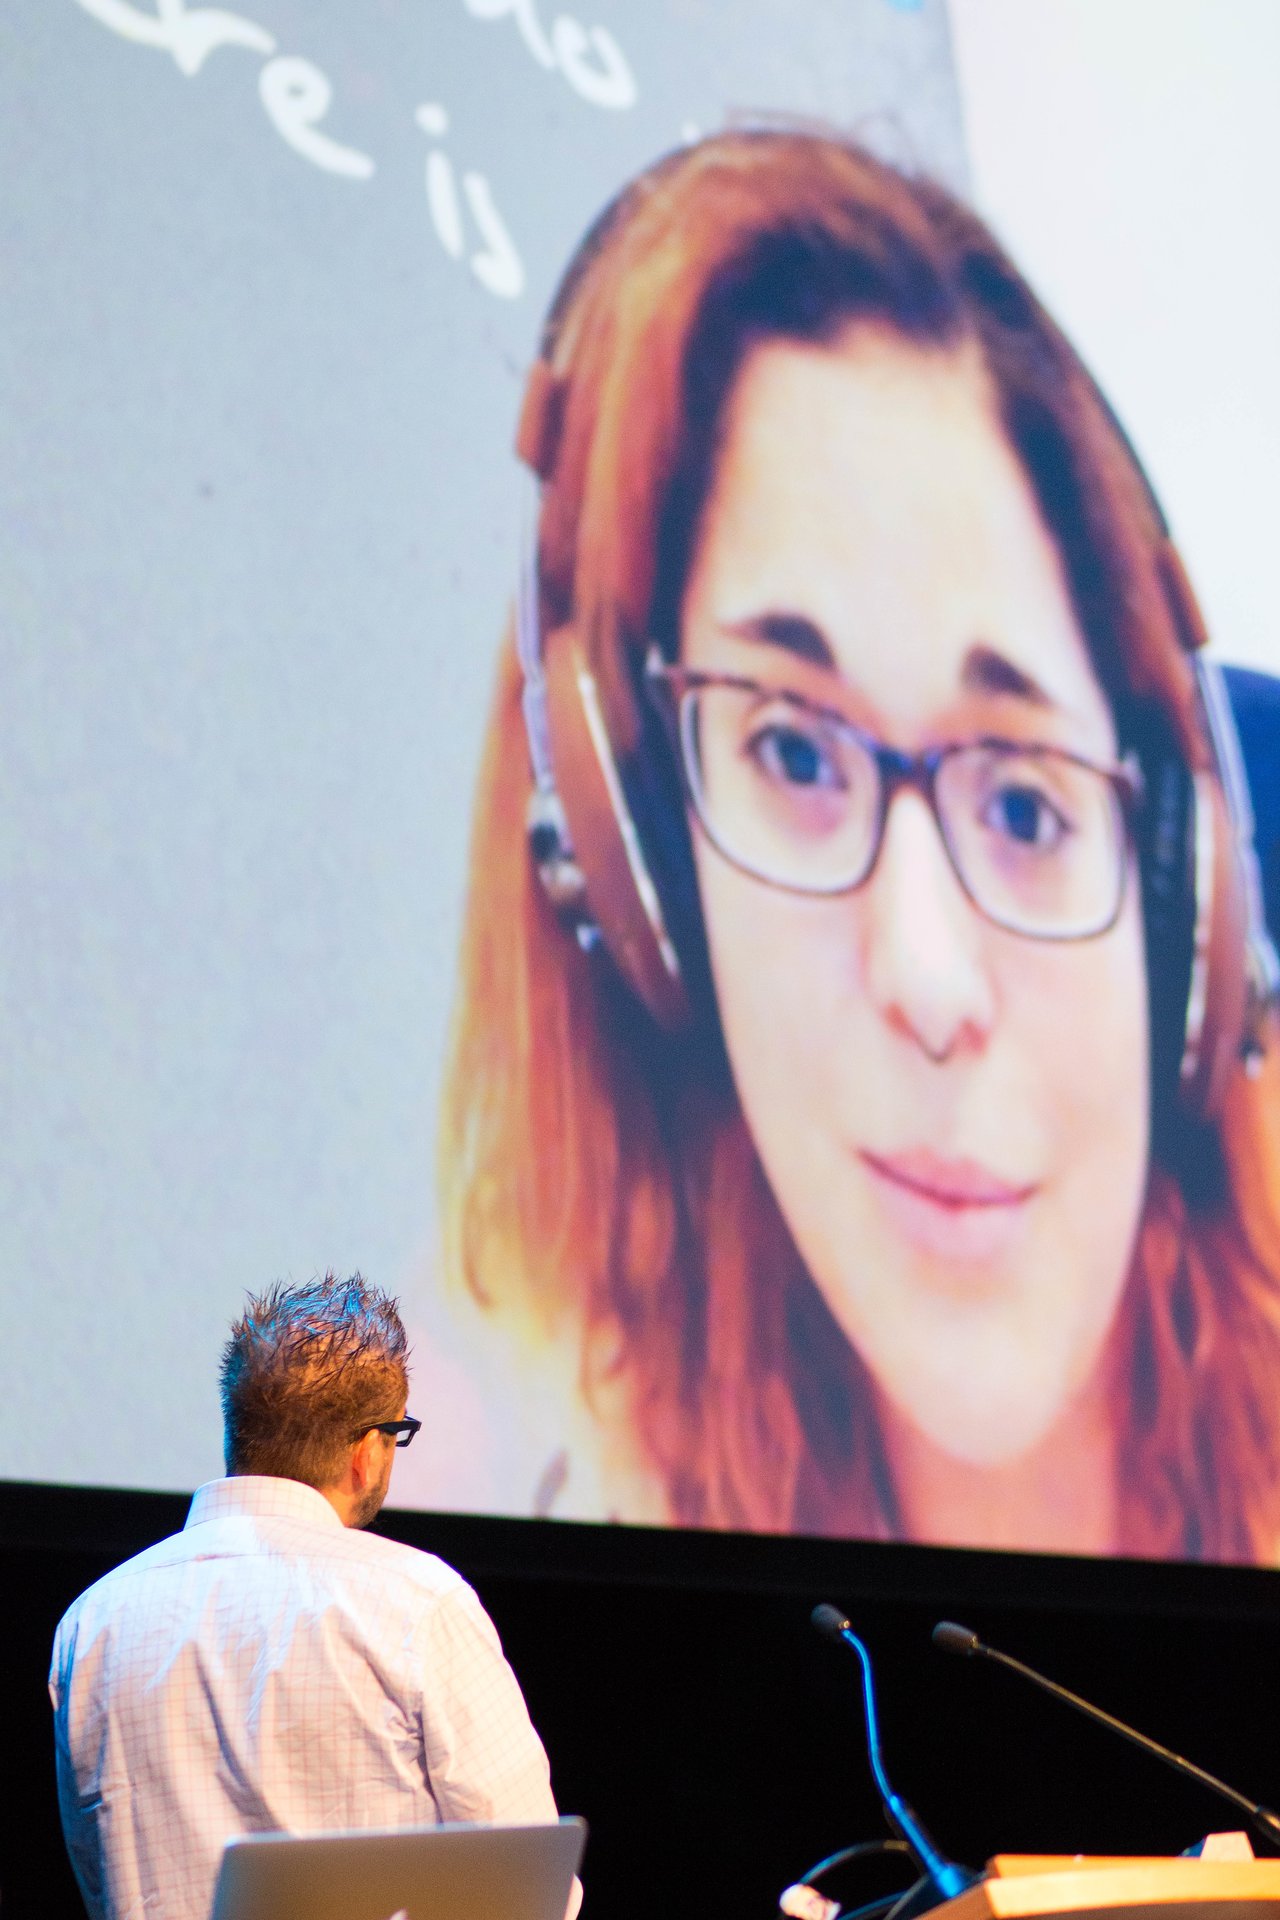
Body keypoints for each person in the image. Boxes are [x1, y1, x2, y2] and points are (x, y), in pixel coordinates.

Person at [413, 128, 1280, 1563]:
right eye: (795, 754)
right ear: (639, 886)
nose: (930, 983)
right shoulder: (484, 1482)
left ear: (1185, 915)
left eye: (1024, 804)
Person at [49, 1274, 577, 1920]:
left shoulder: (92, 1623)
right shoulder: (417, 1604)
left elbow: (97, 1874)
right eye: (397, 1434)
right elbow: (527, 1886)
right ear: (367, 1453)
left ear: (238, 1429)